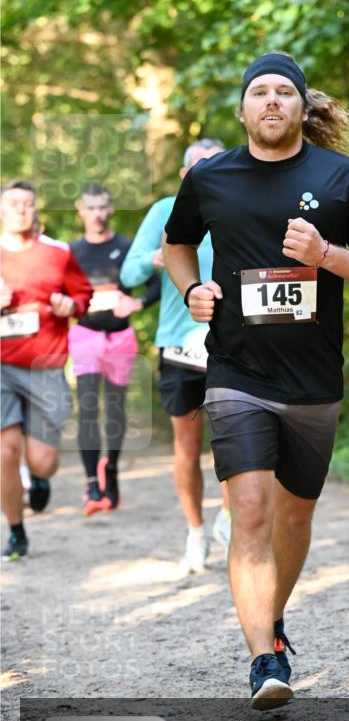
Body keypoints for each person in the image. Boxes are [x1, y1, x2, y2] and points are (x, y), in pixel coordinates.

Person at [163, 53, 349, 709]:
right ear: (242, 110)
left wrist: (326, 256)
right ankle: (264, 660)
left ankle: (270, 618)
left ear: (302, 108)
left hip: (314, 379)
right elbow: (177, 244)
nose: (271, 101)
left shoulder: (341, 177)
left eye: (283, 93)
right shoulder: (210, 179)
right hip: (236, 369)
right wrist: (193, 290)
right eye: (259, 92)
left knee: (295, 515)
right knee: (249, 511)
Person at [120, 140, 231, 574]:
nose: (210, 173)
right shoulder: (166, 209)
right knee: (187, 447)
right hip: (180, 344)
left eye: (218, 165)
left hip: (230, 343)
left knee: (235, 441)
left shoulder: (238, 206)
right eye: (201, 167)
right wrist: (157, 257)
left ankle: (228, 520)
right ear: (186, 175)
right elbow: (129, 274)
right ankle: (195, 531)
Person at [0, 179, 92, 560]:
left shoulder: (57, 253)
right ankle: (16, 531)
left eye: (27, 203)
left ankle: (38, 477)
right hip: (1, 364)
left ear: (35, 210)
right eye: (13, 203)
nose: (21, 209)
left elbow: (83, 295)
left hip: (46, 364)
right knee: (5, 452)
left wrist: (70, 306)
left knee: (42, 459)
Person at [69, 184, 161, 515]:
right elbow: (57, 290)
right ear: (80, 210)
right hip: (86, 335)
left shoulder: (126, 247)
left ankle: (111, 471)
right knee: (89, 408)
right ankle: (91, 486)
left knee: (116, 411)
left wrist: (136, 303)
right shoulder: (71, 251)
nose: (96, 214)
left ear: (111, 210)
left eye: (102, 207)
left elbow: (156, 282)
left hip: (120, 337)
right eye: (90, 208)